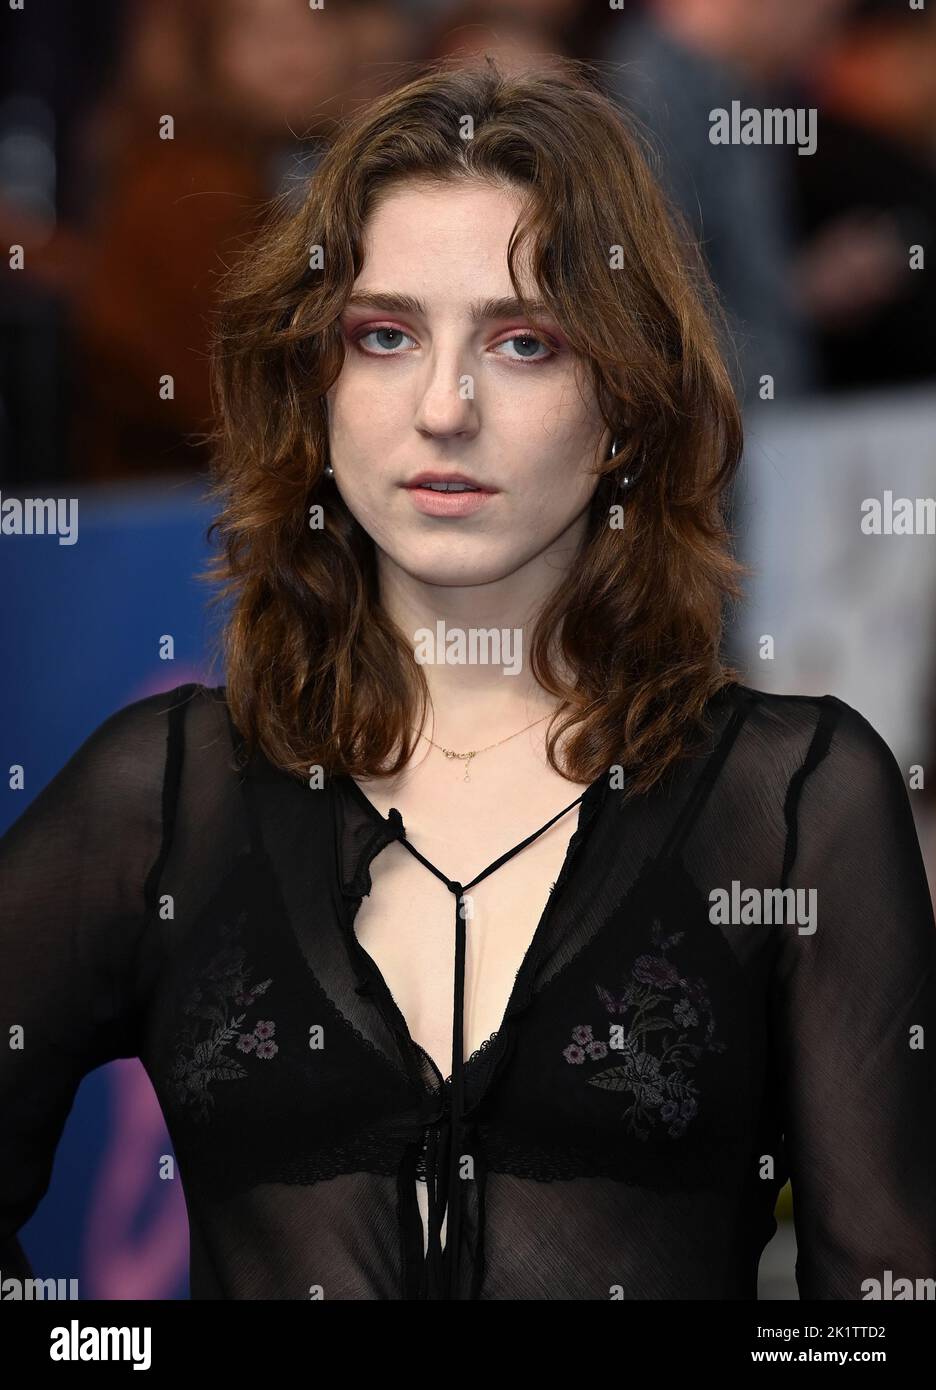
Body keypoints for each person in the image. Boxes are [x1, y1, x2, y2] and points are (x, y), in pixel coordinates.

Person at [2, 58, 934, 1302]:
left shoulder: (792, 803)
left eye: (525, 342)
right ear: (316, 388)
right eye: (384, 337)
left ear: (625, 401)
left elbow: (882, 1300)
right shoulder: (165, 794)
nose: (445, 406)